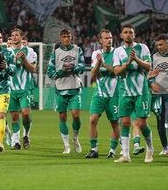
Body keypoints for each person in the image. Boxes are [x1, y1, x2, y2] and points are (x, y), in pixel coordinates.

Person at [112, 24, 154, 163]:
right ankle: (125, 155)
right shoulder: (118, 51)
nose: (128, 34)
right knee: (124, 122)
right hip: (125, 92)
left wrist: (136, 59)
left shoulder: (143, 48)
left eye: (131, 32)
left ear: (134, 35)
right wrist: (129, 62)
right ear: (121, 35)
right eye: (125, 32)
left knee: (142, 123)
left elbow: (149, 67)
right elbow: (117, 71)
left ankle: (150, 149)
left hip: (141, 91)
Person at [47, 28, 85, 154]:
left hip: (75, 87)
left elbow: (82, 67)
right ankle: (66, 145)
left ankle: (75, 138)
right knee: (62, 117)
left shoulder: (77, 50)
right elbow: (50, 73)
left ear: (71, 37)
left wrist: (74, 68)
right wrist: (62, 70)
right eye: (64, 36)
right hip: (60, 88)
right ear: (60, 38)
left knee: (76, 115)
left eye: (68, 36)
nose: (66, 38)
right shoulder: (55, 53)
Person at [84, 29, 120, 159]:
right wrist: (99, 62)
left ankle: (112, 150)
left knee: (114, 122)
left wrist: (104, 63)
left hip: (114, 94)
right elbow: (93, 74)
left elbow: (117, 72)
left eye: (110, 38)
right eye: (106, 38)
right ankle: (94, 150)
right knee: (93, 119)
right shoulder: (96, 54)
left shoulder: (118, 53)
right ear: (101, 40)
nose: (109, 40)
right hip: (99, 93)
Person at [8, 28, 37, 150]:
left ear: (21, 37)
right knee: (14, 116)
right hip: (11, 89)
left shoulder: (30, 52)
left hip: (25, 88)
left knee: (25, 113)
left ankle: (26, 134)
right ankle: (16, 142)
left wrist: (24, 59)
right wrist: (13, 61)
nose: (14, 37)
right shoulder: (6, 52)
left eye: (17, 35)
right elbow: (3, 70)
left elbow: (32, 69)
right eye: (12, 35)